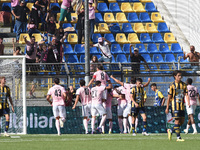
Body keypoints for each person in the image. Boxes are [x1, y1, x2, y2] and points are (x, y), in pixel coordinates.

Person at [165, 70, 189, 142]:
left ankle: (171, 130)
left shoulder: (184, 85)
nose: (180, 77)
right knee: (177, 120)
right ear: (175, 76)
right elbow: (169, 97)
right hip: (175, 106)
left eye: (180, 75)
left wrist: (188, 102)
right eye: (178, 75)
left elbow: (186, 94)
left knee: (181, 122)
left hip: (182, 106)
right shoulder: (172, 85)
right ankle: (178, 137)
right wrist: (167, 107)